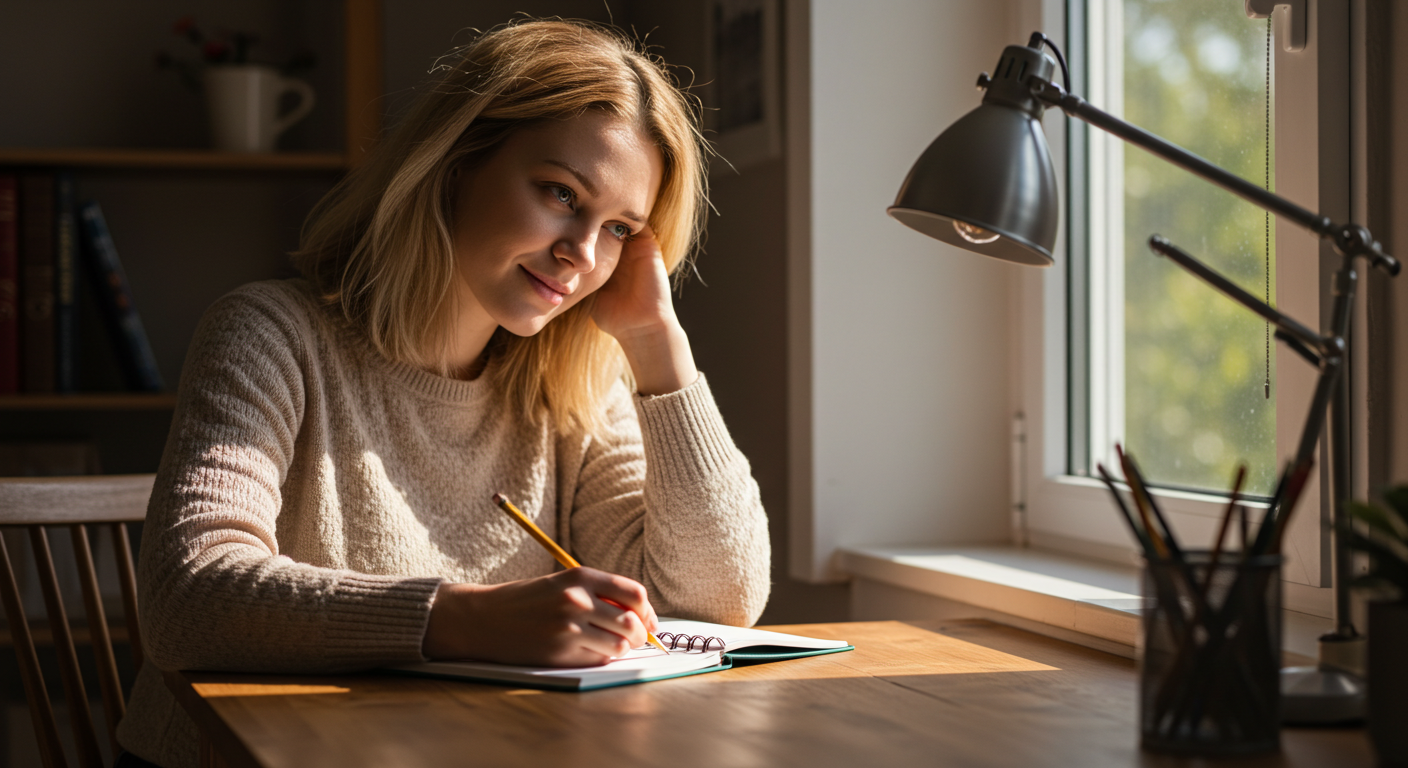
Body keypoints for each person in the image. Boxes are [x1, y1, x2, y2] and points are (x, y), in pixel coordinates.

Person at [115, 19, 771, 768]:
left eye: (620, 229)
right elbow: (188, 597)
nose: (583, 254)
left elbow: (716, 603)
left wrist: (660, 345)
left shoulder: (571, 387)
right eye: (561, 192)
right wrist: (467, 618)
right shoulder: (269, 334)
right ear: (458, 162)